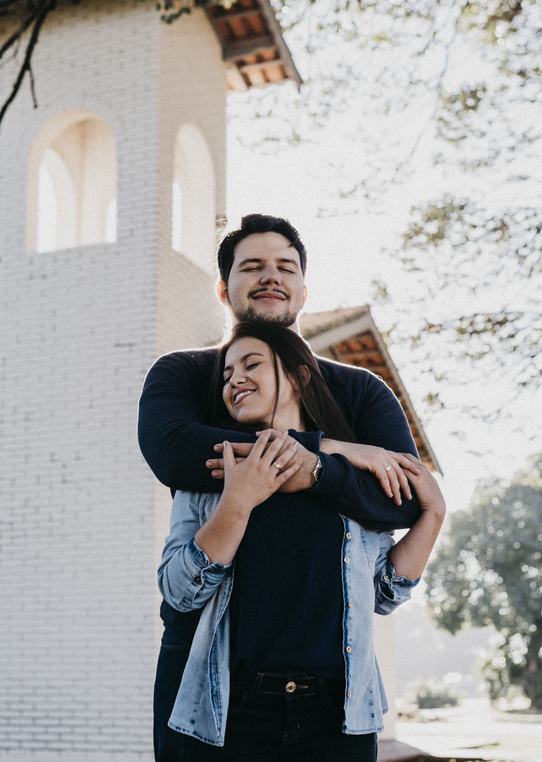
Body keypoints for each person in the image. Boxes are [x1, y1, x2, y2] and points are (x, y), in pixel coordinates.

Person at [138, 215, 427, 760]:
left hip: (334, 696)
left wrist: (311, 469)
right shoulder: (184, 374)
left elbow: (403, 495)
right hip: (208, 681)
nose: (271, 276)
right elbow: (173, 450)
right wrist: (335, 453)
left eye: (285, 267)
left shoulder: (361, 390)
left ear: (302, 289)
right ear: (224, 289)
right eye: (252, 266)